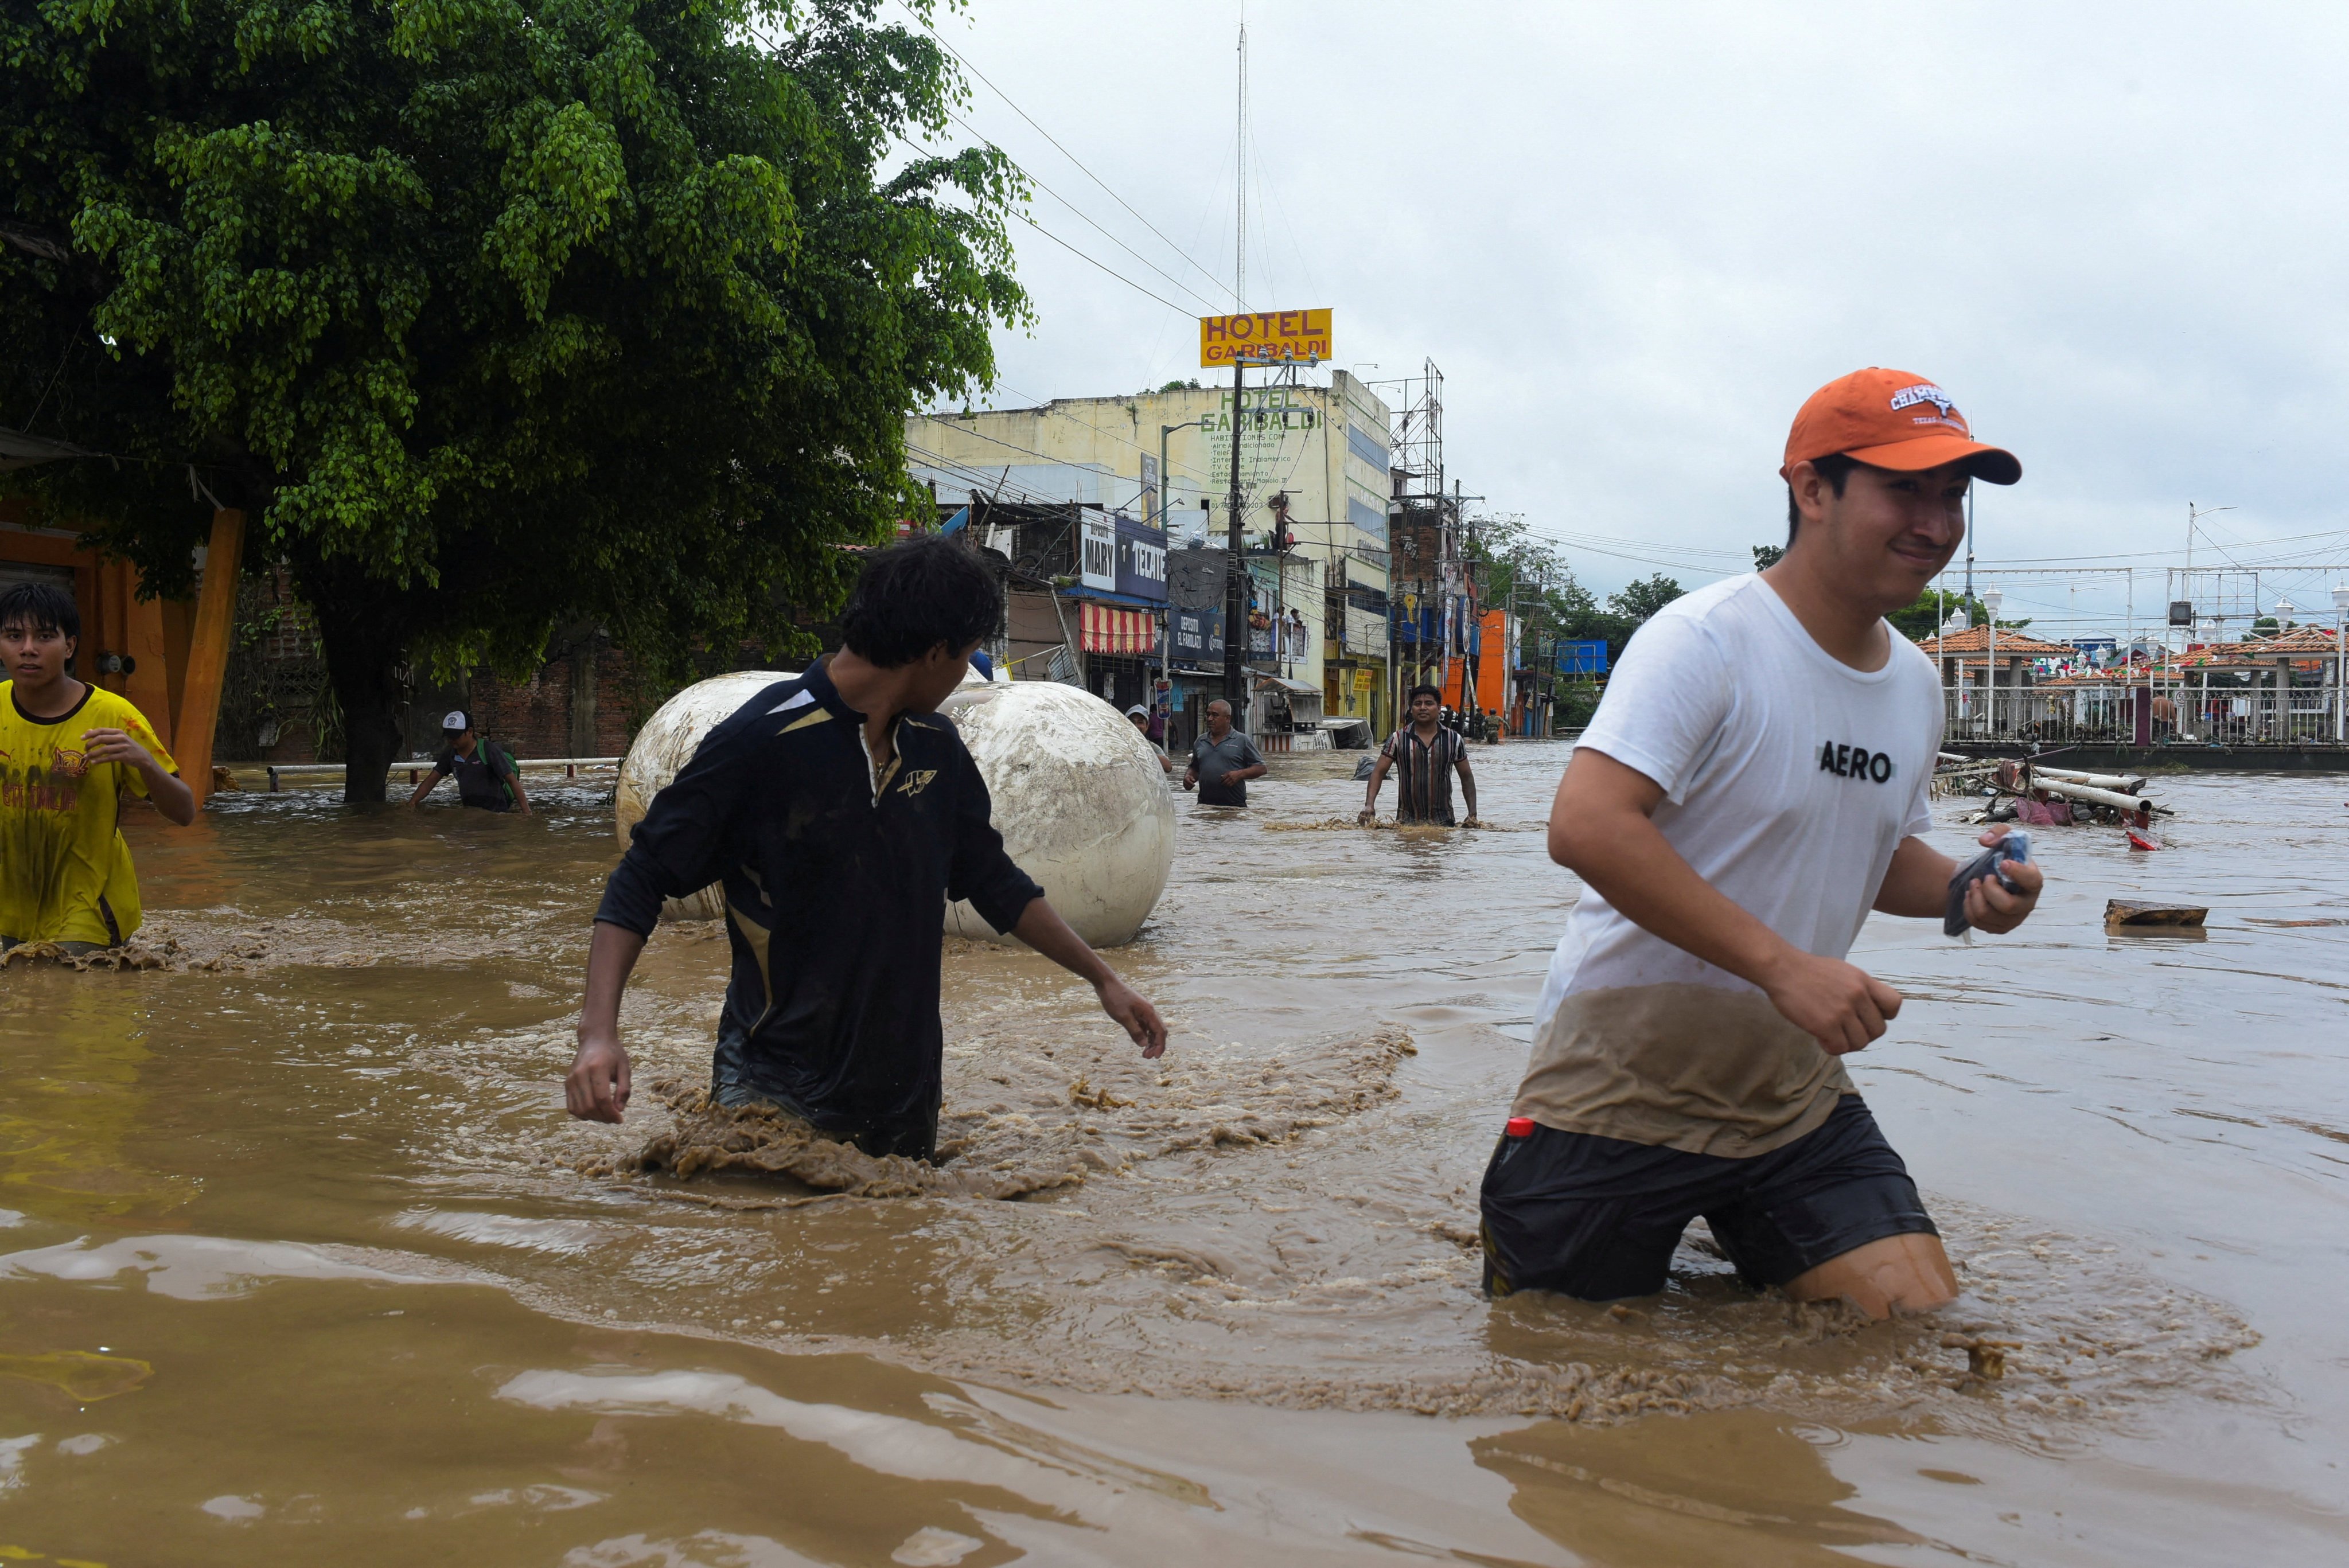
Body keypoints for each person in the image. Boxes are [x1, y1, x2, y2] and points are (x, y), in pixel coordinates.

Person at [1481, 367, 2046, 1320]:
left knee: (1912, 1329)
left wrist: (1966, 889)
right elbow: (1585, 823)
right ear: (1812, 489)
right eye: (1905, 487)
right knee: (1562, 1373)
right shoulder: (1704, 640)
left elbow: (1876, 849)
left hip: (1790, 1091)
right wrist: (1784, 965)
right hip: (1618, 1088)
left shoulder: (1915, 682)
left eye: (1954, 496)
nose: (1938, 523)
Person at [565, 536, 1167, 1156]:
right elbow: (639, 878)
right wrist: (598, 1033)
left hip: (902, 1096)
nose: (965, 672)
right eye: (966, 656)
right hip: (773, 1090)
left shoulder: (937, 747)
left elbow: (995, 882)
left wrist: (1104, 980)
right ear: (935, 653)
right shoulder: (761, 740)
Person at [0, 580, 195, 953]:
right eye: (13, 636)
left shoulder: (113, 716)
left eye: (44, 637)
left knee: (73, 995)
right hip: (11, 905)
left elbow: (185, 813)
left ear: (69, 645)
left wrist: (146, 764)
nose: (28, 650)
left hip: (88, 903)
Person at [1359, 684, 1479, 825]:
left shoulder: (1454, 740)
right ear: (1412, 709)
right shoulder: (1398, 739)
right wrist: (1369, 805)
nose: (1423, 708)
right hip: (1406, 823)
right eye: (1418, 704)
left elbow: (1466, 777)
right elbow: (1378, 772)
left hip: (1444, 822)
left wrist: (1472, 813)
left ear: (1439, 708)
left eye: (1429, 703)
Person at [407, 709, 531, 815]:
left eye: (456, 736)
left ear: (470, 732)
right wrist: (412, 803)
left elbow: (512, 780)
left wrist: (527, 813)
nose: (451, 740)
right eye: (449, 736)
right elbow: (431, 781)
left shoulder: (488, 750)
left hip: (496, 813)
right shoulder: (450, 754)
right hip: (470, 813)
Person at [1182, 698, 1265, 806]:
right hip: (1205, 806)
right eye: (1208, 715)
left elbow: (1261, 768)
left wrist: (1239, 774)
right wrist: (1188, 777)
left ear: (1227, 718)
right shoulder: (1200, 741)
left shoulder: (1242, 740)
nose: (1210, 719)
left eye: (1215, 715)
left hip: (1234, 807)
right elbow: (1194, 767)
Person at [1126, 704, 1173, 774]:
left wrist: (1144, 751)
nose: (1135, 726)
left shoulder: (1151, 747)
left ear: (1147, 726)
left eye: (1140, 722)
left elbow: (1168, 768)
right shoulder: (1117, 743)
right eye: (1132, 722)